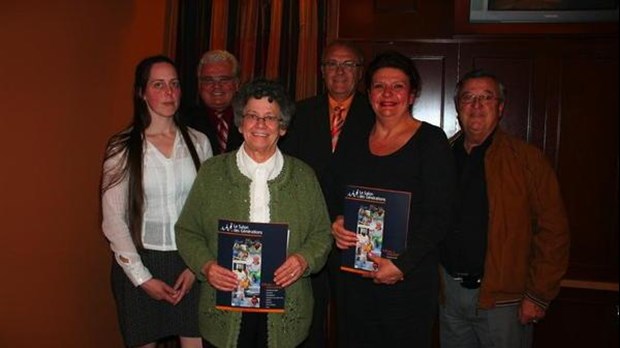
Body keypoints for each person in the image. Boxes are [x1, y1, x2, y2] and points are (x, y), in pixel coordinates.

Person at [175, 78, 333, 348]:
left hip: (285, 308)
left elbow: (322, 235)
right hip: (224, 310)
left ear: (282, 127)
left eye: (270, 118)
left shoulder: (304, 176)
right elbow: (187, 231)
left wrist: (303, 260)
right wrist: (207, 266)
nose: (261, 125)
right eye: (252, 116)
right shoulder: (212, 173)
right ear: (240, 123)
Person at [329, 50, 456, 347]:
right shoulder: (354, 139)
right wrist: (336, 221)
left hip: (406, 283)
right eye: (379, 86)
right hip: (355, 282)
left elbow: (441, 215)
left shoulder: (431, 142)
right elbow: (336, 192)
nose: (387, 94)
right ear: (369, 93)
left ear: (412, 94)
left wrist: (402, 265)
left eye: (397, 86)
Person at [439, 69, 570, 348]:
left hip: (503, 302)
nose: (476, 105)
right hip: (448, 294)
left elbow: (553, 232)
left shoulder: (527, 160)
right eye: (468, 97)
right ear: (457, 106)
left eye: (486, 97)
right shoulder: (442, 155)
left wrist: (538, 296)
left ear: (500, 107)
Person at [101, 55, 212, 348]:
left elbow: (208, 210)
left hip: (189, 262)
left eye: (174, 84)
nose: (168, 92)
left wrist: (195, 266)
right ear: (141, 92)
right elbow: (113, 220)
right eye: (158, 84)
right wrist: (143, 279)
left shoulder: (199, 142)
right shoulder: (122, 147)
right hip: (139, 263)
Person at [279, 39, 375, 347]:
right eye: (332, 64)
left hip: (355, 235)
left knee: (356, 319)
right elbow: (287, 171)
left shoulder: (376, 115)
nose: (340, 71)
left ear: (360, 72)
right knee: (310, 319)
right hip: (309, 235)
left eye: (348, 64)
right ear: (322, 71)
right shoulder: (300, 113)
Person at [182, 49, 243, 155]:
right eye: (208, 80)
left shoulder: (251, 119)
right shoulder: (183, 122)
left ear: (237, 84)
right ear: (199, 85)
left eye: (224, 79)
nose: (216, 86)